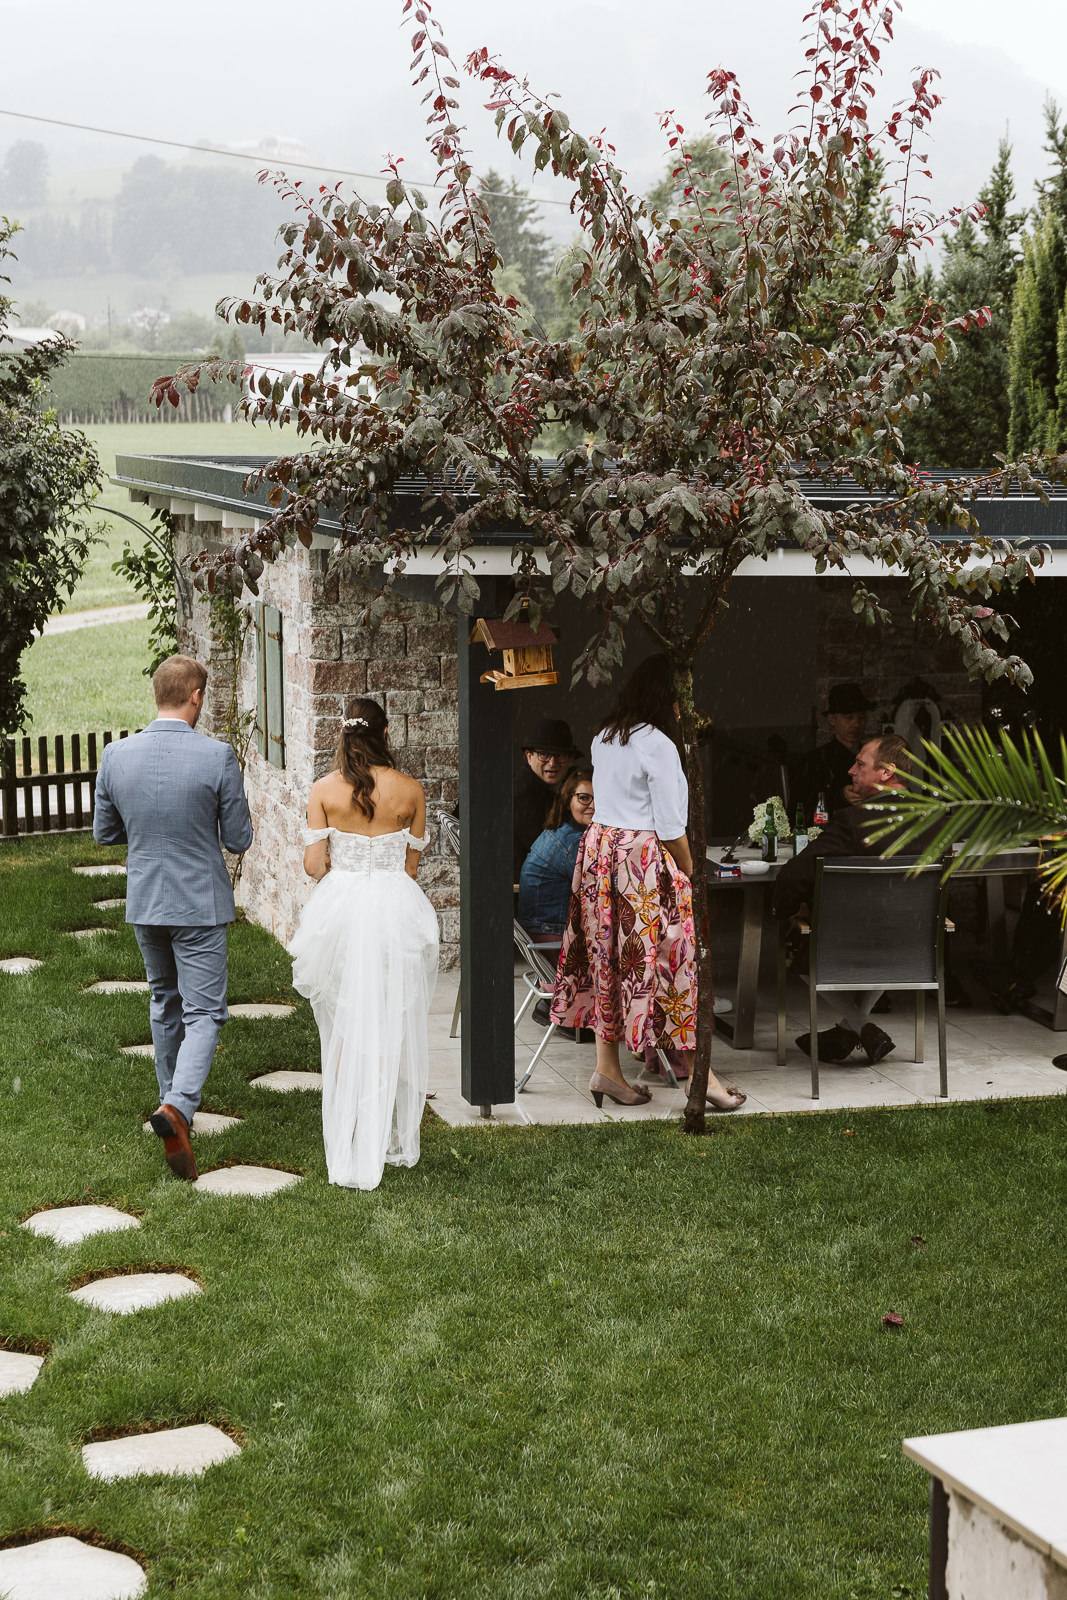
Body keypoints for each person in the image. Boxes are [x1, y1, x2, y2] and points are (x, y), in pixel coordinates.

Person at [550, 654, 746, 1112]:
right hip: (640, 863)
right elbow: (671, 825)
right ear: (669, 698)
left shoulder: (605, 735)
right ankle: (700, 1078)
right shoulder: (658, 744)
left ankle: (608, 1068)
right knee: (671, 965)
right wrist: (694, 872)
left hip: (601, 853)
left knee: (608, 959)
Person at [93, 654, 253, 1182]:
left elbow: (104, 832)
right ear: (197, 698)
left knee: (165, 999)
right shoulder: (217, 756)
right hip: (199, 903)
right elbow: (239, 838)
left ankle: (170, 1101)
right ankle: (179, 1106)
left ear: (157, 695)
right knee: (205, 1012)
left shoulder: (116, 755)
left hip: (144, 899)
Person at [289, 698, 439, 1191]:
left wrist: (342, 868)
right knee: (387, 1019)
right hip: (395, 910)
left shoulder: (324, 790)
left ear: (344, 735)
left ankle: (346, 1139)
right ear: (386, 731)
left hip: (344, 909)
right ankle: (384, 1137)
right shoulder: (410, 791)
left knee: (340, 1021)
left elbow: (314, 866)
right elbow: (411, 870)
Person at [773, 732, 922, 1065]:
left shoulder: (853, 822)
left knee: (799, 941)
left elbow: (794, 876)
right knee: (886, 934)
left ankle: (859, 1025)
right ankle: (851, 1030)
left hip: (848, 945)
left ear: (886, 772)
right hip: (913, 945)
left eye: (859, 763)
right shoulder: (935, 820)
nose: (851, 772)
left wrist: (784, 911)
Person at [518, 767, 595, 940]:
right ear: (567, 802)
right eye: (583, 798)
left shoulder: (562, 831)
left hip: (541, 932)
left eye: (600, 799)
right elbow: (599, 888)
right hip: (552, 938)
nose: (593, 806)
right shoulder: (572, 842)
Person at [513, 717, 582, 879]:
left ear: (570, 760)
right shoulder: (523, 793)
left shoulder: (556, 790)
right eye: (544, 755)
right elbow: (549, 853)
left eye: (559, 755)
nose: (552, 763)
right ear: (529, 756)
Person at [792, 682, 873, 820]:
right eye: (849, 718)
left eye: (861, 717)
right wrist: (838, 797)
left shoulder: (874, 757)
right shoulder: (814, 761)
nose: (856, 724)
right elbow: (800, 811)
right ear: (832, 719)